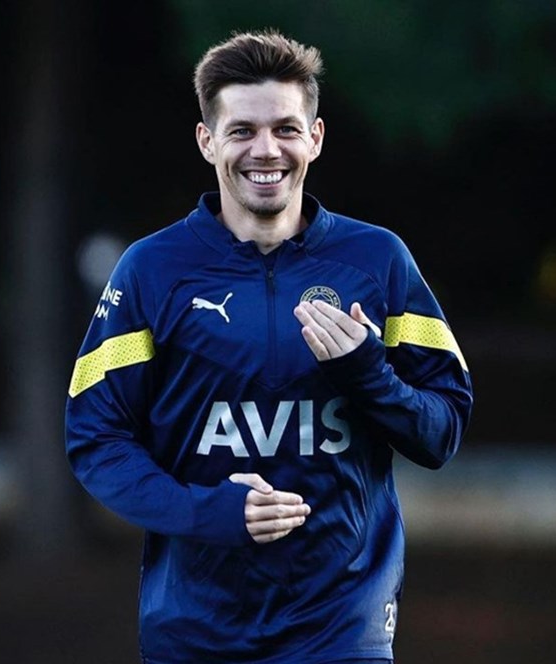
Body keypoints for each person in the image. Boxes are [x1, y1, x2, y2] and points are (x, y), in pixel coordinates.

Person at [64, 29, 473, 664]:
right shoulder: (150, 270)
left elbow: (441, 432)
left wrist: (369, 375)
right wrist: (205, 512)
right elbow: (96, 438)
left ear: (315, 137)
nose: (265, 150)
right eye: (242, 131)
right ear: (207, 141)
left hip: (342, 632)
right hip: (197, 634)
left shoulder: (379, 262)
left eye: (285, 129)